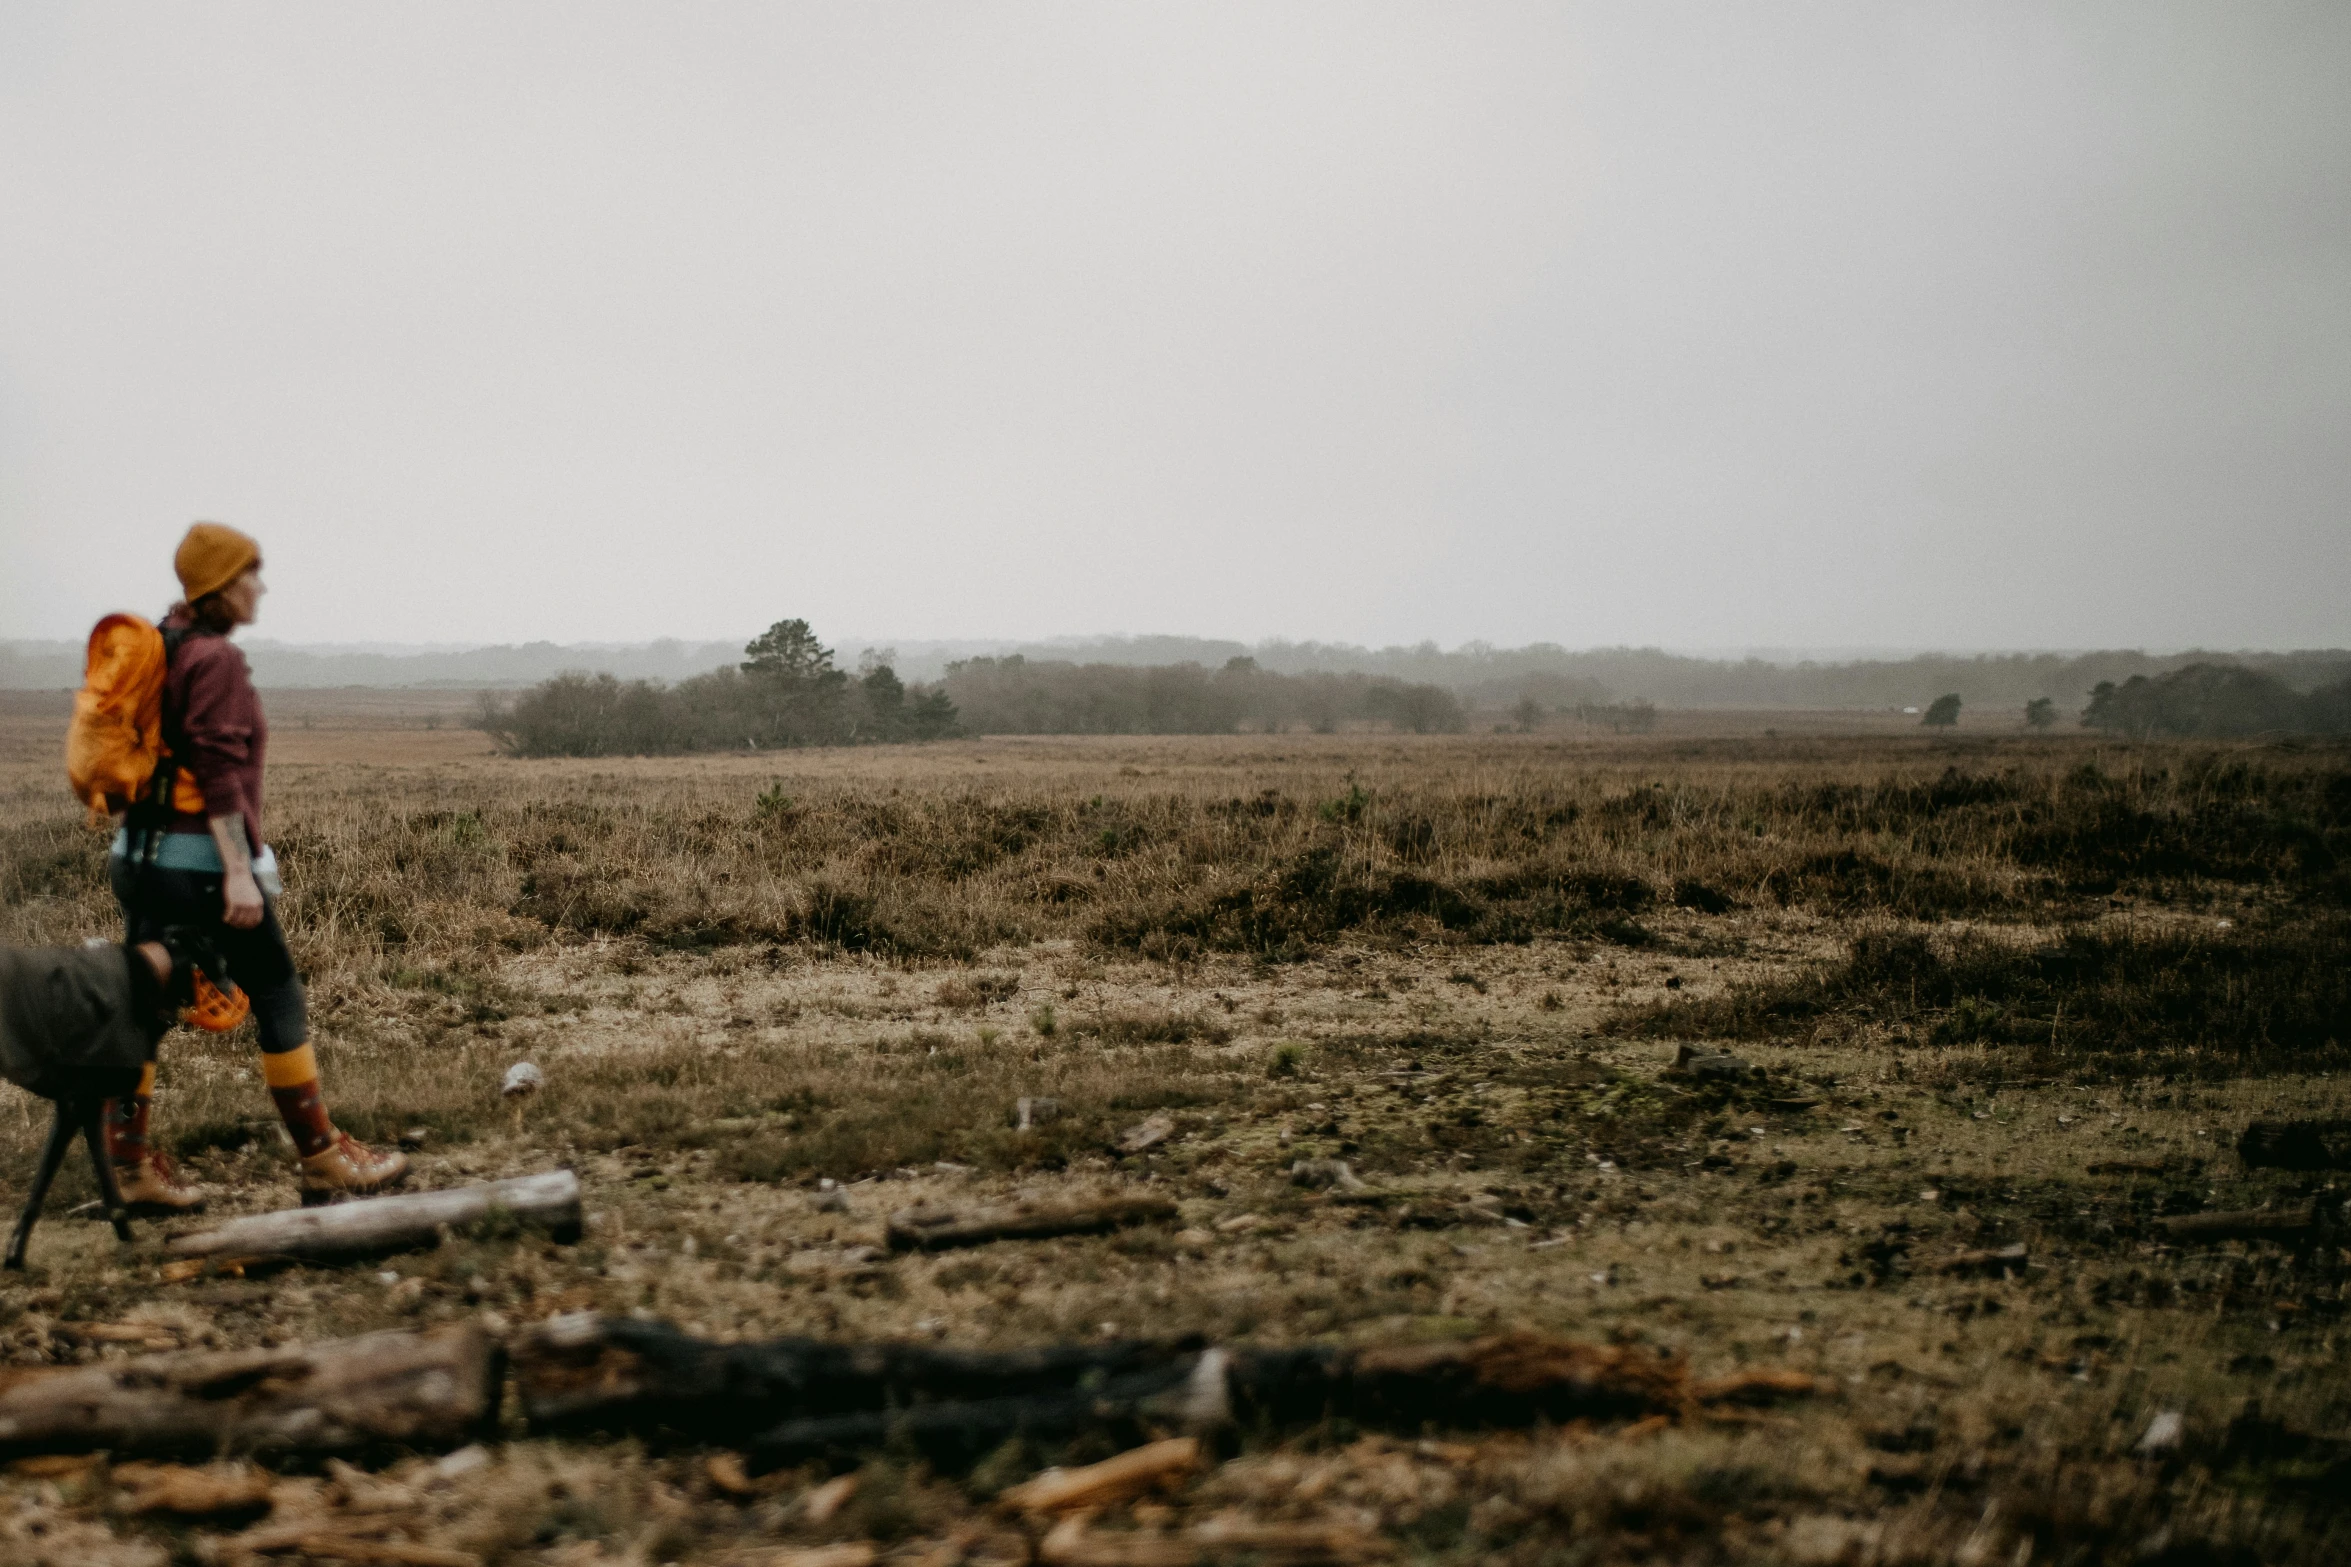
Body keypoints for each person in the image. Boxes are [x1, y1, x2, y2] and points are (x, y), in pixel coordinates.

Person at [104, 522, 408, 1207]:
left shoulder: (162, 645)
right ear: (220, 584)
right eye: (251, 572)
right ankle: (323, 1158)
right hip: (202, 866)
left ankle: (128, 1170)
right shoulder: (215, 660)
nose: (261, 585)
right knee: (275, 990)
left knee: (146, 1004)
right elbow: (217, 770)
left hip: (139, 856)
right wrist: (239, 872)